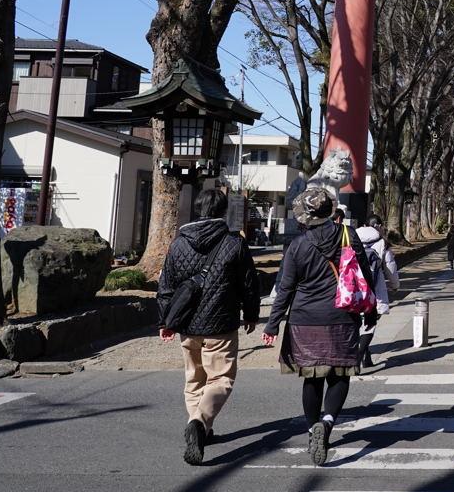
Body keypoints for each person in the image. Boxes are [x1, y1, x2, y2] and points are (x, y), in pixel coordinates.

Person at [262, 183, 377, 466]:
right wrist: (371, 310)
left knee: (312, 377)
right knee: (340, 375)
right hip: (342, 317)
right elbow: (364, 275)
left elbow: (286, 288)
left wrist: (272, 325)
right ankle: (326, 423)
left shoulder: (298, 245)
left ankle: (312, 426)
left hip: (304, 320)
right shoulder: (348, 235)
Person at [157, 188, 260, 466]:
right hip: (221, 324)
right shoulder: (234, 243)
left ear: (198, 209)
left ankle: (199, 425)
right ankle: (200, 424)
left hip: (187, 324)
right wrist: (251, 314)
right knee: (221, 379)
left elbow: (166, 286)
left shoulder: (178, 244)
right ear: (223, 211)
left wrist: (166, 321)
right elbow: (249, 284)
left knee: (194, 379)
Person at [355, 214, 400, 368]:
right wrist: (395, 285)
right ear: (378, 226)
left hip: (352, 289)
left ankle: (366, 359)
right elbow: (390, 268)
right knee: (370, 324)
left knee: (357, 323)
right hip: (374, 290)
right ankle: (357, 359)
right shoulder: (382, 243)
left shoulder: (350, 238)